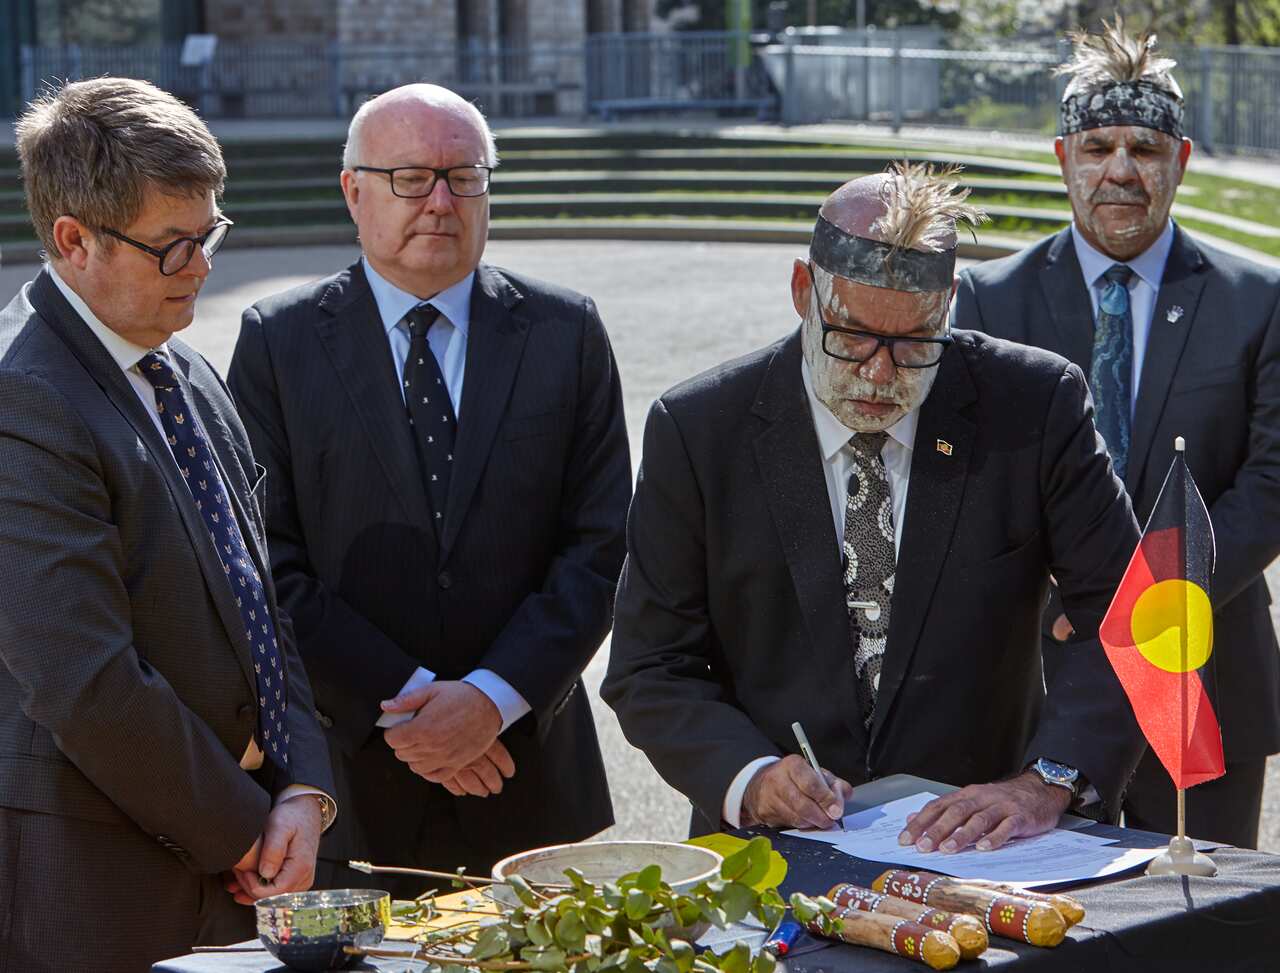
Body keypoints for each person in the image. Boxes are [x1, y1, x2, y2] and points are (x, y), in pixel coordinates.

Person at [603, 163, 1145, 854]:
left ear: (948, 303)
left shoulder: (1036, 406)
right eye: (852, 334)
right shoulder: (700, 428)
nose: (880, 373)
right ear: (804, 292)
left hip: (987, 846)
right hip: (771, 851)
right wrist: (751, 776)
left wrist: (1048, 781)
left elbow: (1134, 616)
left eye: (916, 341)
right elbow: (651, 664)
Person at [227, 83, 630, 891]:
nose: (441, 201)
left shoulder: (567, 332)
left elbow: (600, 546)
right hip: (355, 782)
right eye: (411, 178)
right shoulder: (278, 342)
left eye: (464, 176)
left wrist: (489, 699)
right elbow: (265, 563)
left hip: (530, 777)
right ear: (354, 191)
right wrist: (414, 703)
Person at [0, 77, 335, 969]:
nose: (202, 266)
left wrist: (305, 786)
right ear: (73, 240)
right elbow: (82, 676)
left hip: (243, 863)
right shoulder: (22, 400)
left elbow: (258, 603)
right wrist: (246, 827)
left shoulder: (182, 366)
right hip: (101, 883)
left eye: (210, 233)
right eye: (170, 246)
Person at [952, 20, 1280, 849]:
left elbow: (1272, 482)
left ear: (1182, 159)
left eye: (1145, 147)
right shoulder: (992, 301)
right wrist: (1071, 595)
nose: (1121, 170)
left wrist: (1148, 600)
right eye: (1097, 146)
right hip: (1042, 679)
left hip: (1205, 668)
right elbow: (969, 480)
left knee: (1204, 917)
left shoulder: (1259, 300)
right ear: (1063, 158)